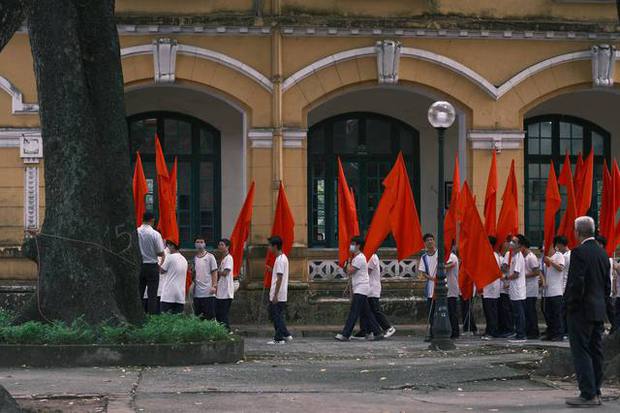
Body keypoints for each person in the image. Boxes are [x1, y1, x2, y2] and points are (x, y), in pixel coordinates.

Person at [564, 216, 611, 407]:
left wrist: (569, 305)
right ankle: (596, 391)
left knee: (581, 351)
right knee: (596, 351)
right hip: (598, 309)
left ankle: (587, 393)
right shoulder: (602, 254)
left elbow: (577, 283)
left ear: (578, 232)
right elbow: (606, 285)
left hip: (581, 310)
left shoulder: (579, 253)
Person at [335, 236, 384, 341]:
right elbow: (349, 272)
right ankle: (377, 332)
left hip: (361, 287)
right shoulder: (356, 258)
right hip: (359, 286)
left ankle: (346, 334)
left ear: (358, 245)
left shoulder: (360, 257)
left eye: (353, 244)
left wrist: (347, 262)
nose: (351, 246)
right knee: (366, 312)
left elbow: (350, 271)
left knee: (354, 311)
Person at [355, 253, 396, 339]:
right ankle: (365, 330)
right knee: (365, 310)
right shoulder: (363, 257)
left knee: (375, 310)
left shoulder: (372, 257)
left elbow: (367, 271)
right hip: (366, 287)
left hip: (372, 288)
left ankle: (388, 327)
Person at [137, 211, 165, 315]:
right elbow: (160, 252)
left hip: (140, 265)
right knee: (152, 294)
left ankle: (138, 315)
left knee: (139, 292)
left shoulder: (136, 231)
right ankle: (152, 316)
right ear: (152, 220)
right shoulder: (155, 234)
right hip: (152, 265)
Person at [267, 236, 293, 345]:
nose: (269, 248)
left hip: (278, 292)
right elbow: (278, 274)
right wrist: (271, 270)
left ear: (275, 246)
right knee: (276, 315)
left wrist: (276, 295)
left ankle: (279, 338)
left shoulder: (281, 260)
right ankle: (286, 334)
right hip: (278, 292)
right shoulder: (280, 259)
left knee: (276, 316)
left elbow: (280, 277)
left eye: (270, 246)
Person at [541, 236, 566, 341]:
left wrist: (550, 260)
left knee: (557, 314)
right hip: (547, 291)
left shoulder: (558, 255)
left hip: (556, 291)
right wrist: (543, 280)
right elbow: (541, 271)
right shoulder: (544, 258)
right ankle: (550, 333)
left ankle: (558, 334)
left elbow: (560, 268)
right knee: (549, 314)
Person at [503, 234, 526, 342]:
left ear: (519, 245)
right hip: (514, 288)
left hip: (518, 289)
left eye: (514, 242)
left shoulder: (518, 257)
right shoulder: (513, 256)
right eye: (511, 241)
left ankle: (521, 334)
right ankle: (518, 332)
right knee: (516, 312)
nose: (511, 243)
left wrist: (506, 277)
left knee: (518, 313)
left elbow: (516, 274)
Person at [192, 235, 218, 320]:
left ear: (205, 244)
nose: (199, 244)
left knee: (209, 315)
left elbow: (214, 271)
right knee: (199, 315)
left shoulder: (210, 257)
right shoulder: (194, 258)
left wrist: (214, 286)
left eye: (201, 242)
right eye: (197, 242)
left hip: (208, 291)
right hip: (197, 292)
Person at [159, 239, 188, 314]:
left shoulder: (170, 257)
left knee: (165, 319)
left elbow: (161, 271)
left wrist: (155, 261)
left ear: (171, 246)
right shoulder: (184, 259)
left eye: (167, 246)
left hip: (168, 295)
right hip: (180, 295)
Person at [521, 235, 541, 339]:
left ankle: (533, 332)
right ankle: (528, 331)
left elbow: (536, 272)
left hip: (531, 288)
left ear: (523, 246)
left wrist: (522, 276)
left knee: (530, 311)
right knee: (526, 311)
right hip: (525, 288)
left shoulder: (531, 257)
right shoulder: (523, 257)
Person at [482, 236, 502, 339]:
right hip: (488, 288)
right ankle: (489, 330)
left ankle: (492, 331)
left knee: (491, 311)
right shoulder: (488, 255)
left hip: (492, 288)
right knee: (488, 311)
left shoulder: (493, 256)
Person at [595, 236, 616, 334]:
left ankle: (615, 327)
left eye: (596, 243)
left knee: (609, 310)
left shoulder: (605, 257)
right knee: (607, 310)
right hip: (602, 288)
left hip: (605, 288)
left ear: (601, 244)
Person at [419, 233, 438, 341]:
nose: (430, 241)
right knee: (431, 312)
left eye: (432, 239)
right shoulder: (424, 257)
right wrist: (431, 278)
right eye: (428, 240)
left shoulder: (440, 254)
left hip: (439, 286)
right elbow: (423, 272)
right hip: (430, 286)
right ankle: (431, 332)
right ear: (425, 243)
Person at [215, 238, 234, 332]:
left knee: (223, 313)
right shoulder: (223, 259)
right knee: (218, 313)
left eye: (222, 245)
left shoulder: (229, 258)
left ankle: (227, 331)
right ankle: (222, 331)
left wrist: (216, 271)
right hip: (221, 291)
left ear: (227, 247)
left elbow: (225, 272)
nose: (220, 246)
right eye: (219, 245)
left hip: (226, 291)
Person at [497, 236, 514, 338]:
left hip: (505, 285)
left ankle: (508, 328)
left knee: (506, 309)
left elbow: (504, 268)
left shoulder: (509, 254)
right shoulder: (507, 255)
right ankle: (505, 328)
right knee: (504, 309)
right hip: (504, 285)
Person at [554, 235, 571, 337]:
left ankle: (564, 330)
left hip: (563, 285)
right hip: (567, 285)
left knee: (563, 310)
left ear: (560, 244)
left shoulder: (564, 257)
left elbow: (560, 269)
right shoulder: (571, 254)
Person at [446, 247, 460, 339]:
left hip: (451, 288)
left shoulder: (452, 256)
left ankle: (455, 332)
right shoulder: (448, 256)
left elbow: (449, 265)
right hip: (448, 288)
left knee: (452, 311)